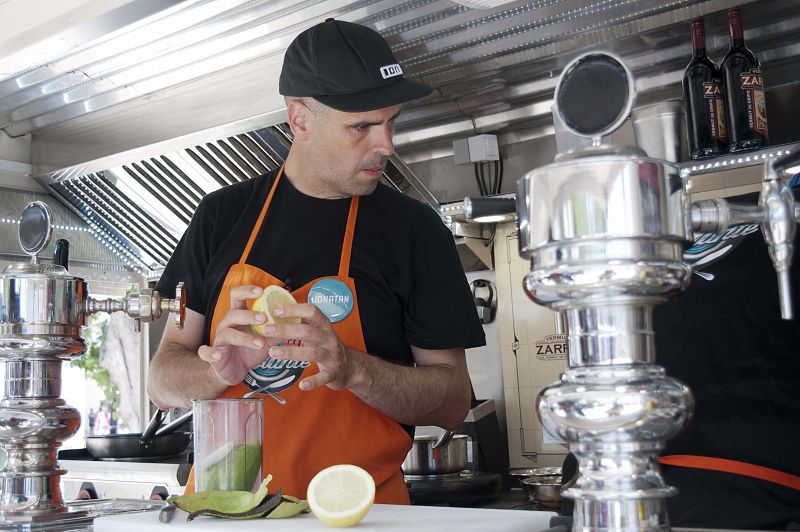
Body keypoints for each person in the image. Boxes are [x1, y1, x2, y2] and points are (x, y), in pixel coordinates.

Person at [148, 18, 485, 504]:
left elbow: (453, 402)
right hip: (229, 515)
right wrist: (218, 373)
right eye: (361, 127)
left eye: (391, 121)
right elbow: (162, 380)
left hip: (362, 515)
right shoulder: (220, 217)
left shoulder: (416, 232)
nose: (385, 145)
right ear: (299, 119)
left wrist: (353, 369)